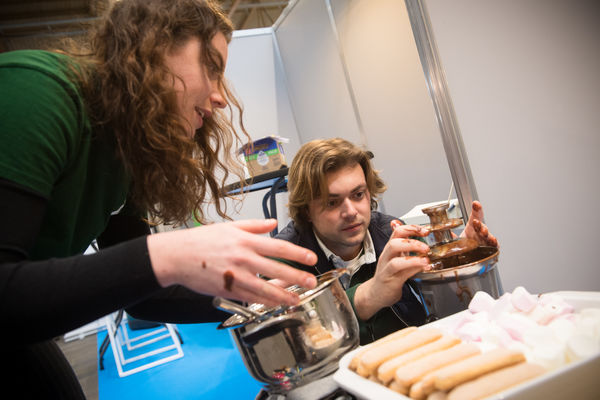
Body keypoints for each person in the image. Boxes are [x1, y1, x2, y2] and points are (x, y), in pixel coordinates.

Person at [0, 0, 318, 397]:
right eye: (212, 68)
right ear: (156, 45)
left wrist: (253, 296)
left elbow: (143, 297)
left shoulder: (126, 151)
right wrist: (169, 255)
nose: (221, 97)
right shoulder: (39, 92)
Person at [275, 138, 498, 344]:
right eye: (332, 202)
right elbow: (292, 340)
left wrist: (460, 262)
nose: (351, 212)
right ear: (306, 210)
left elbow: (447, 306)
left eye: (358, 195)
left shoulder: (391, 233)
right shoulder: (282, 259)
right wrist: (368, 295)